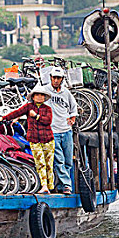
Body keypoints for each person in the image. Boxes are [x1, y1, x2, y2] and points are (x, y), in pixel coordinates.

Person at [0, 85, 54, 194]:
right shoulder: (28, 107)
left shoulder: (48, 109)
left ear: (44, 98)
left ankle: (50, 186)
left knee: (48, 164)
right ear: (33, 97)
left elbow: (48, 121)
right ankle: (44, 186)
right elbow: (17, 112)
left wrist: (36, 116)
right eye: (37, 95)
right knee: (40, 163)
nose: (39, 97)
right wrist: (4, 118)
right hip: (34, 140)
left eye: (41, 95)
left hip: (48, 139)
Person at [44, 67, 78, 195]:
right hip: (53, 131)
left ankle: (60, 184)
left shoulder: (66, 92)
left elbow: (73, 107)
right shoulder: (45, 90)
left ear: (62, 79)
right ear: (51, 78)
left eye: (58, 78)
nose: (56, 80)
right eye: (54, 78)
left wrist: (72, 118)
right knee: (59, 160)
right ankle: (67, 185)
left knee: (68, 161)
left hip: (66, 130)